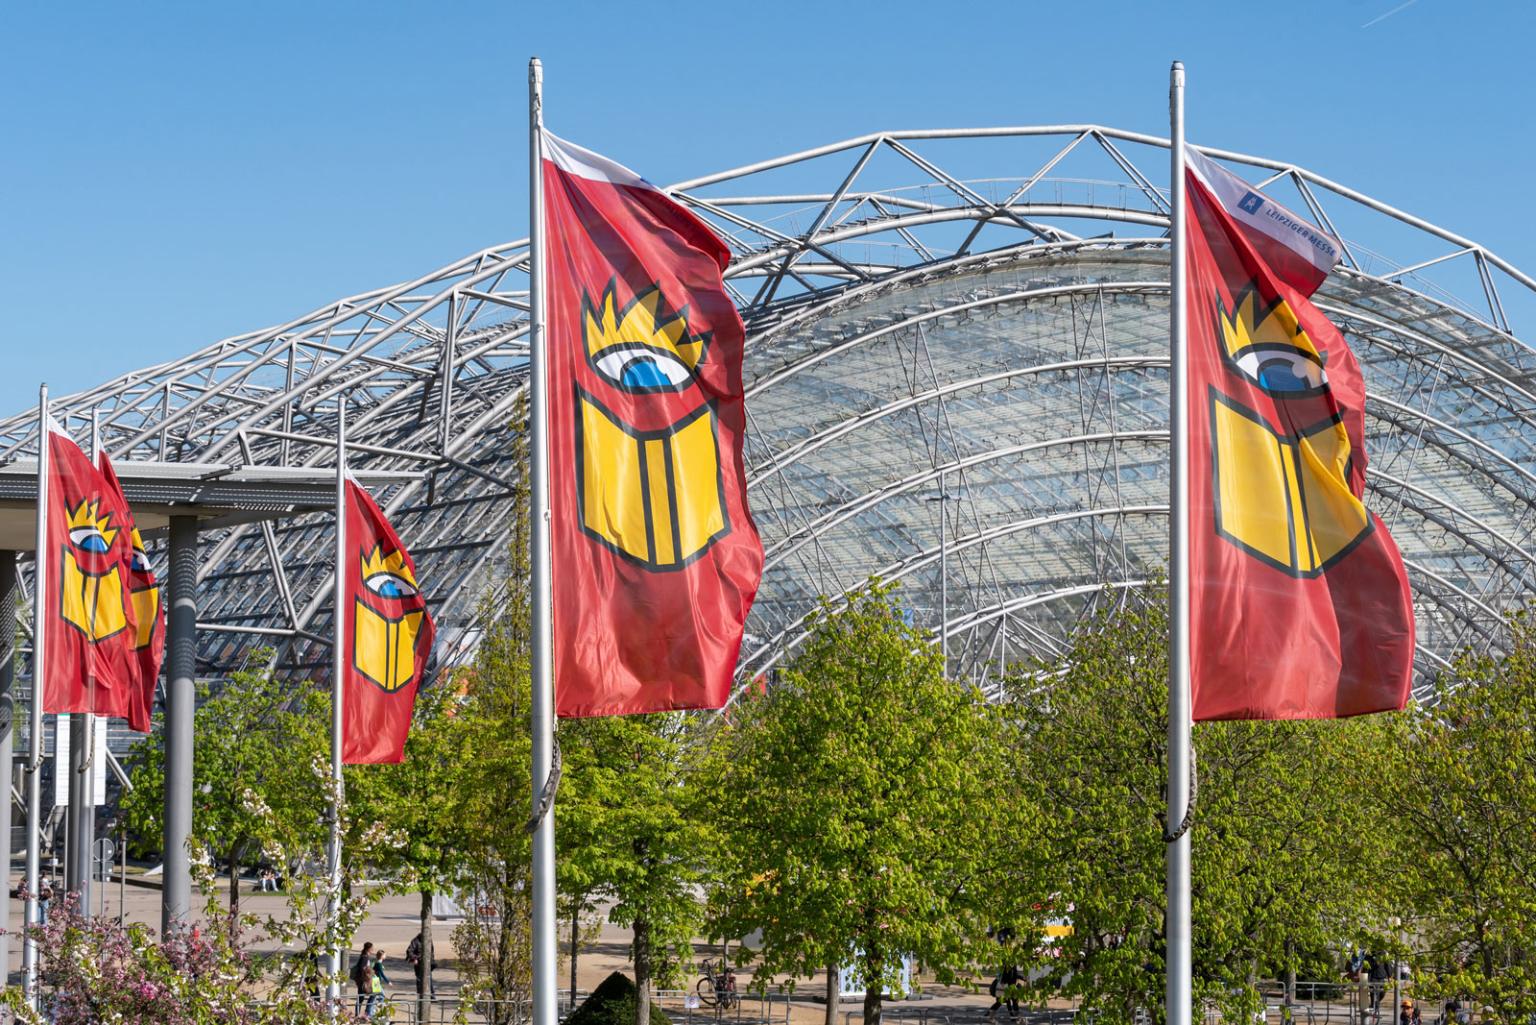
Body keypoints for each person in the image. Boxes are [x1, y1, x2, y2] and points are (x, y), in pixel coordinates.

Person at [351, 942, 378, 1018]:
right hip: (364, 981)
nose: (373, 950)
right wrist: (370, 971)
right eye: (372, 948)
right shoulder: (364, 957)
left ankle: (361, 1013)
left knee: (361, 998)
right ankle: (366, 1012)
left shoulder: (365, 956)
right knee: (368, 996)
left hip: (364, 981)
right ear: (368, 949)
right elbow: (363, 969)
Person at [406, 931, 435, 997]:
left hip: (427, 963)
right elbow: (409, 951)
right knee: (419, 980)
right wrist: (414, 959)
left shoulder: (429, 941)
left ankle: (432, 995)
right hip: (419, 964)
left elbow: (432, 951)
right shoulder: (415, 941)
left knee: (429, 978)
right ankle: (420, 995)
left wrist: (431, 960)